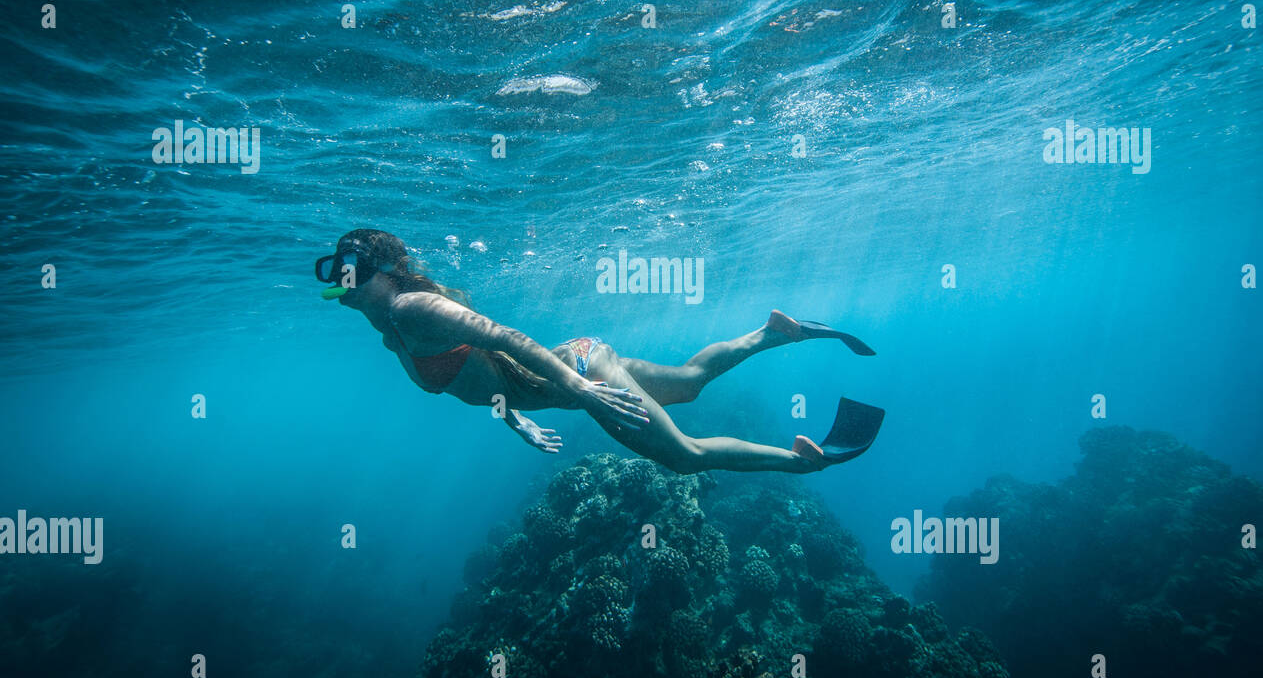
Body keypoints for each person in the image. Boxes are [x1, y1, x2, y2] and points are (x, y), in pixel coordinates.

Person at [316, 229, 881, 474]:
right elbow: (478, 378)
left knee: (684, 457)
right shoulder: (390, 327)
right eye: (335, 272)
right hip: (577, 365)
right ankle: (776, 332)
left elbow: (507, 340)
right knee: (686, 383)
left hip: (578, 372)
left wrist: (585, 392)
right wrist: (515, 422)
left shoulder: (414, 312)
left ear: (388, 273)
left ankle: (803, 462)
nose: (342, 282)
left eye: (352, 271)